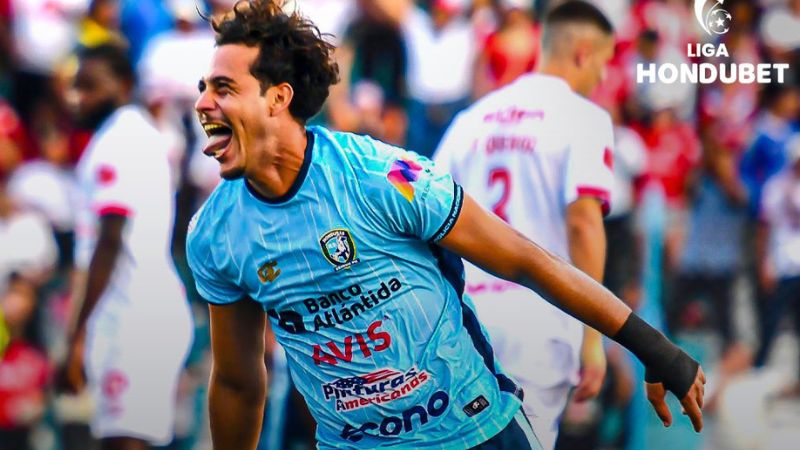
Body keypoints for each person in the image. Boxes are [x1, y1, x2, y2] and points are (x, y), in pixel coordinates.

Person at [186, 1, 705, 449]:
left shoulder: (381, 176)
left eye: (224, 88)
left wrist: (656, 350)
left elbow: (527, 260)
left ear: (278, 97)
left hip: (475, 435)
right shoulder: (215, 234)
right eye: (204, 88)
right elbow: (236, 382)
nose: (203, 103)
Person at [433, 2, 614, 447]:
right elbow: (584, 224)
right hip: (542, 321)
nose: (603, 77)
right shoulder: (584, 118)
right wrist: (595, 337)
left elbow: (430, 221)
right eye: (604, 64)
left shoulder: (470, 120)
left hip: (466, 324)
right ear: (582, 53)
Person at [56, 44, 193, 450]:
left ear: (125, 85)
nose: (78, 97)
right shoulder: (136, 135)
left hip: (134, 314)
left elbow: (110, 240)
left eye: (90, 86)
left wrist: (76, 335)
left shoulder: (119, 141)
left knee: (123, 443)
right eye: (75, 86)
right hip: (142, 307)